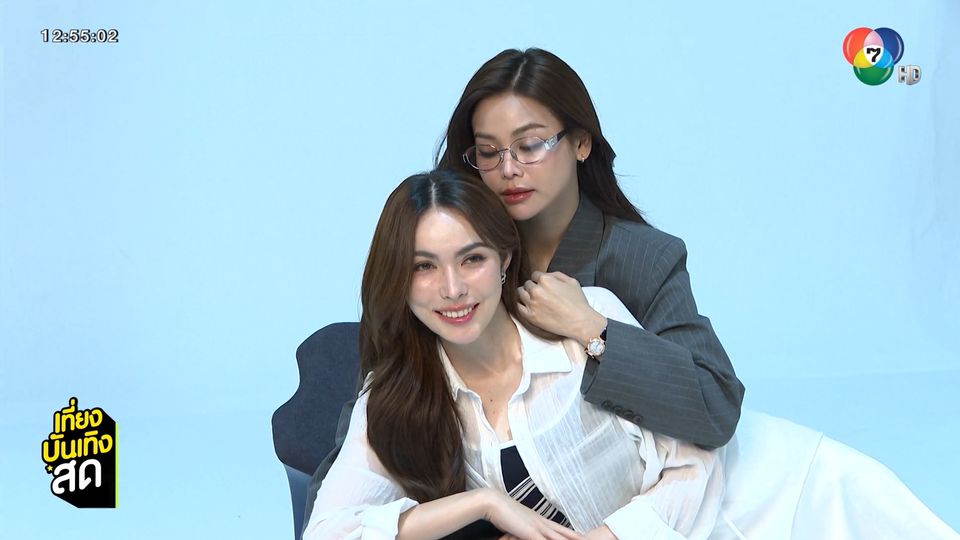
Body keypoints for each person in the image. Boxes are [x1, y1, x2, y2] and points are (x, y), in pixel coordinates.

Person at [303, 47, 745, 533]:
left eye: (530, 145)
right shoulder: (448, 242)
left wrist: (593, 329)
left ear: (581, 143)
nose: (508, 169)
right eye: (488, 152)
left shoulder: (639, 260)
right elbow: (371, 433)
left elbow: (713, 411)